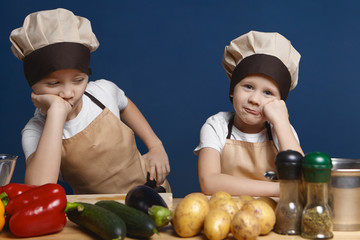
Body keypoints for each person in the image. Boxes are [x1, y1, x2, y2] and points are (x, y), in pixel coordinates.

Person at [10, 8, 170, 194]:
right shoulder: (35, 130)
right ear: (33, 86)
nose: (68, 92)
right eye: (53, 83)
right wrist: (56, 112)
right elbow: (39, 189)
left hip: (154, 192)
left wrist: (155, 145)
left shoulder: (102, 92)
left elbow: (125, 104)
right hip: (102, 216)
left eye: (79, 80)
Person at [194, 31, 304, 197]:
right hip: (225, 214)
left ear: (280, 103)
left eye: (268, 93)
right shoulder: (216, 126)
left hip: (272, 216)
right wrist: (280, 189)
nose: (254, 99)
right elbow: (209, 182)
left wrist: (282, 122)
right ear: (232, 90)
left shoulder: (280, 130)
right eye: (248, 87)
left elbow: (302, 176)